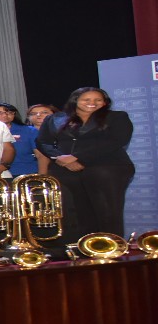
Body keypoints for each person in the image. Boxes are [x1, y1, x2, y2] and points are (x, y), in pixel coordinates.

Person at [37, 87, 134, 238]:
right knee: (75, 212)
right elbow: (43, 142)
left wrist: (78, 157)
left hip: (108, 168)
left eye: (98, 100)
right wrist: (60, 158)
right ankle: (83, 248)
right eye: (86, 100)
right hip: (65, 169)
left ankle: (111, 246)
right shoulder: (55, 118)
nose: (92, 103)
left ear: (105, 102)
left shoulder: (117, 117)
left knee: (107, 211)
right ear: (75, 100)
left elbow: (117, 140)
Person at [0, 103, 44, 177]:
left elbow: (41, 156)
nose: (5, 115)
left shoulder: (29, 131)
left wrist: (42, 176)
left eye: (9, 112)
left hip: (25, 173)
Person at [26, 104, 59, 174]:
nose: (38, 115)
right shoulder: (23, 134)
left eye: (44, 112)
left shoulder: (64, 133)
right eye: (33, 114)